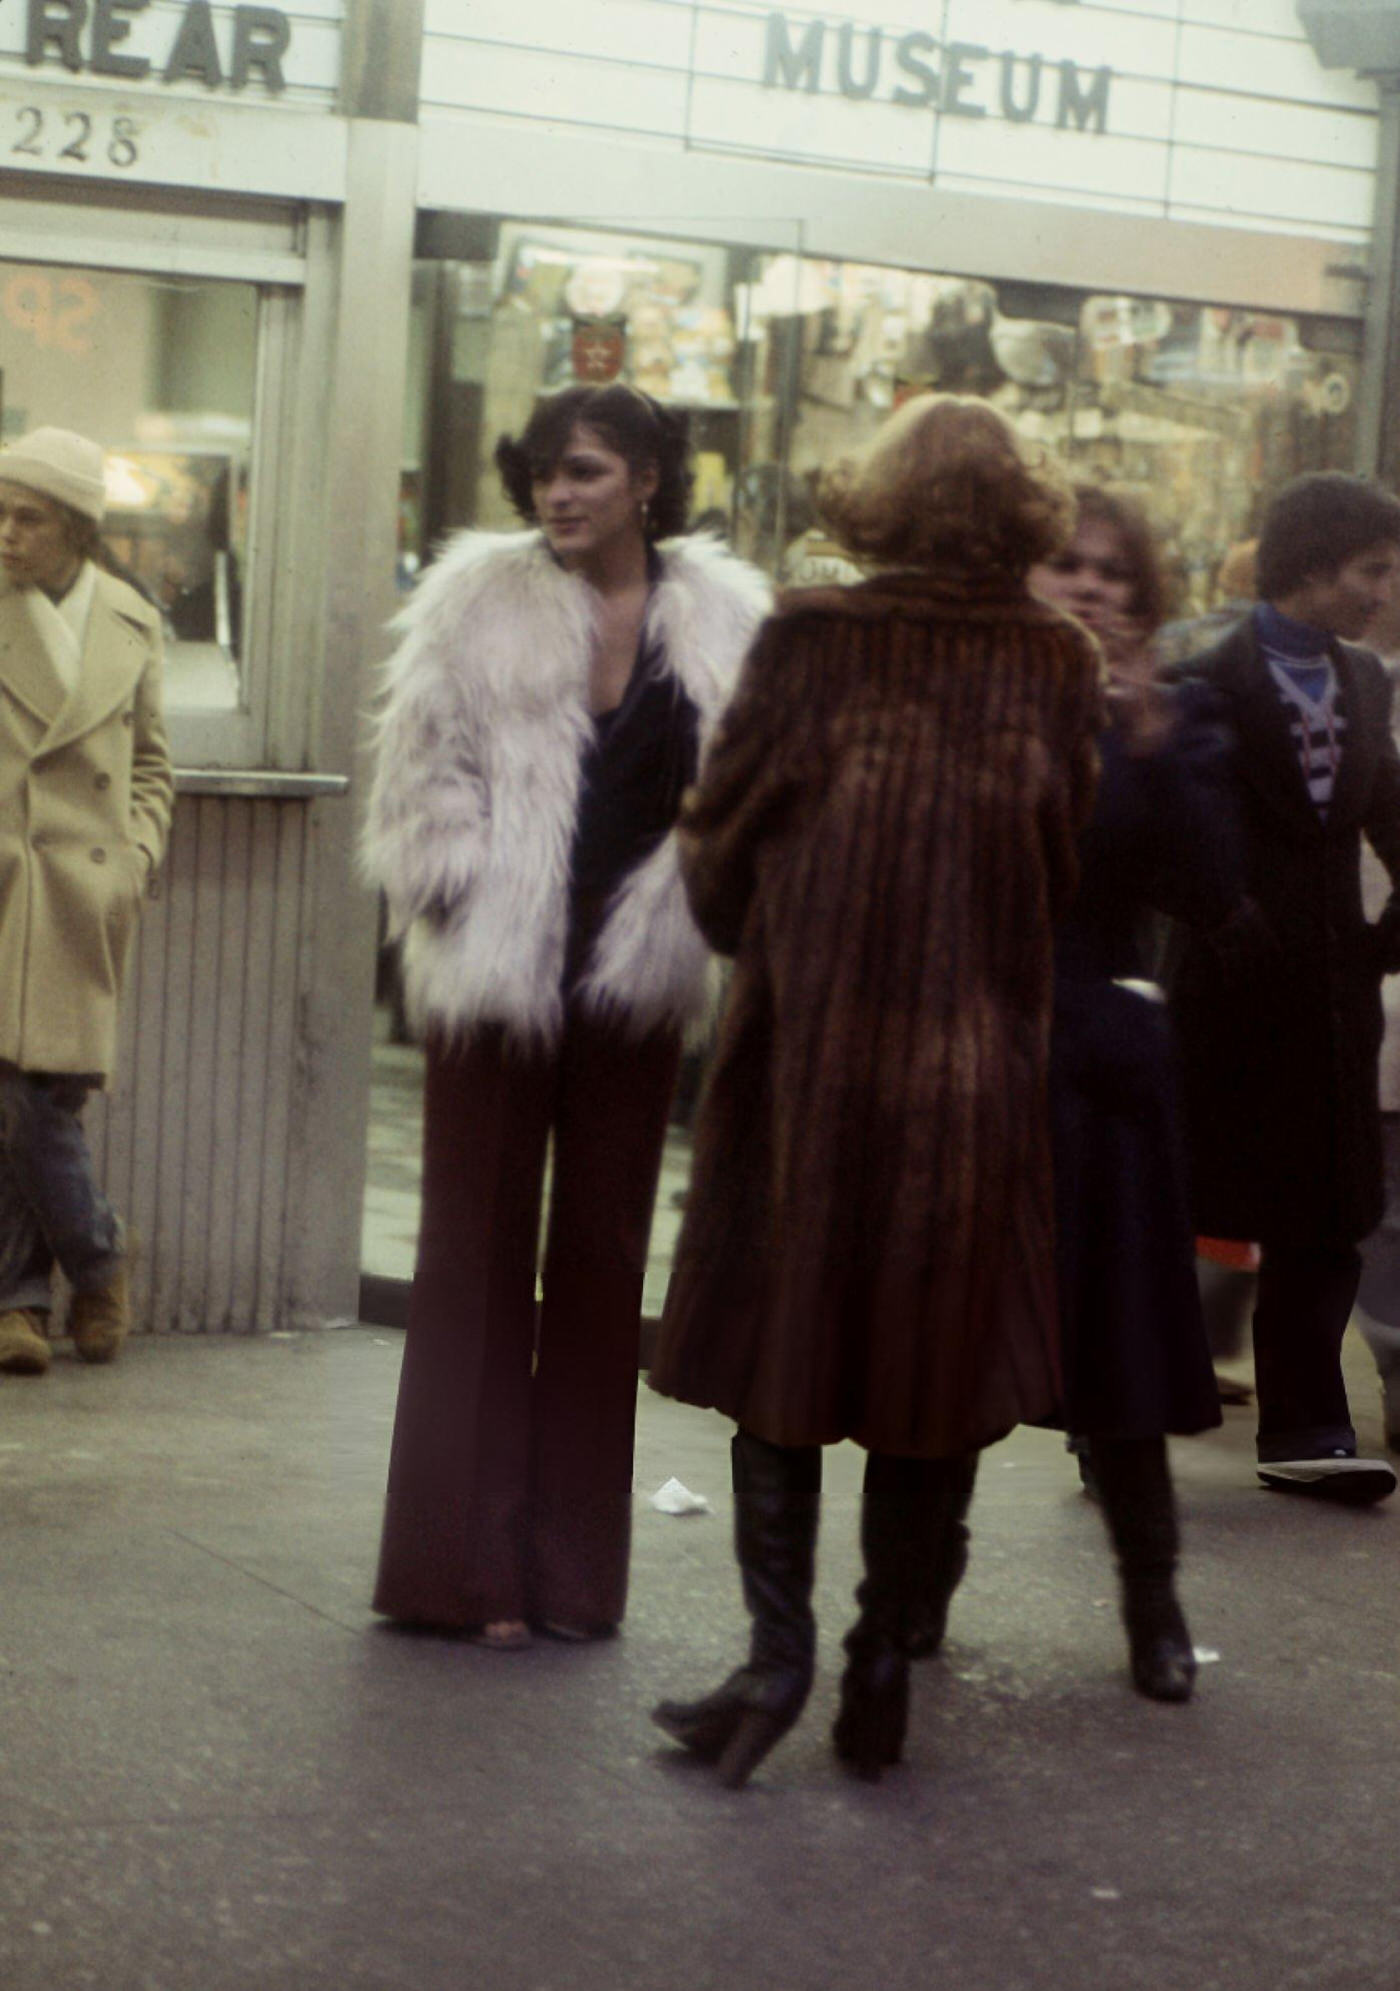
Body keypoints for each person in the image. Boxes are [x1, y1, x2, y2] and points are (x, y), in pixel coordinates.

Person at [647, 394, 1103, 1786]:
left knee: (781, 1354)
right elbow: (1065, 859)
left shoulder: (813, 634)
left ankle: (772, 1659)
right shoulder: (1056, 657)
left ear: (874, 498)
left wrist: (782, 938)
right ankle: (883, 1657)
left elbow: (717, 839)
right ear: (1023, 507)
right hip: (971, 1075)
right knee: (933, 1368)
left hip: (812, 1062)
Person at [362, 384, 769, 1648]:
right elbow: (419, 756)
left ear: (649, 477)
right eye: (542, 471)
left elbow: (753, 784)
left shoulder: (725, 621)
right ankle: (454, 1573)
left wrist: (713, 909)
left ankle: (572, 1579)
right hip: (495, 962)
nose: (557, 493)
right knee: (470, 1259)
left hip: (637, 963)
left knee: (598, 1268)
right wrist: (454, 884)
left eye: (585, 470)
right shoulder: (473, 595)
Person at [1023, 485, 1247, 1703]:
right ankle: (903, 1602)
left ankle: (1151, 1599)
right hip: (974, 1049)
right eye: (1066, 563)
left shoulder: (1181, 716)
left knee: (1114, 1347)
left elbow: (1212, 891)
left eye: (1115, 571)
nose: (1093, 587)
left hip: (1100, 1059)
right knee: (954, 1348)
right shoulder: (974, 693)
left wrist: (1150, 739)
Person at [1171, 472, 1400, 1504]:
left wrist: (1380, 943)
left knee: (1322, 1214)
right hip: (1216, 999)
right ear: (1313, 569)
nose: (1382, 593)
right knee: (1179, 1206)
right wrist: (1220, 920)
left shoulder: (1363, 681)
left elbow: (1385, 814)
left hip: (1325, 1003)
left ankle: (1306, 1426)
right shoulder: (1200, 677)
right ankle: (1119, 1415)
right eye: (1371, 571)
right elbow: (1157, 832)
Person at [0, 428, 173, 1376]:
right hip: (5, 885)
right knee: (11, 1099)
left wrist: (135, 858)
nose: (7, 533)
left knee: (40, 1100)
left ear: (73, 528)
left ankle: (45, 1287)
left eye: (27, 516)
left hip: (81, 893)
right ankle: (74, 1274)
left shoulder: (132, 623)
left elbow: (151, 763)